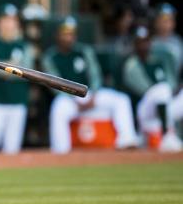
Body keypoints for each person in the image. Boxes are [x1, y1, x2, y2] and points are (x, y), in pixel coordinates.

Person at [42, 17, 139, 154]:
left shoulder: (84, 51)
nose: (68, 37)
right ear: (57, 35)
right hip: (69, 98)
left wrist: (93, 94)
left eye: (71, 34)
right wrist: (74, 99)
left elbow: (95, 75)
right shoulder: (50, 56)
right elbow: (54, 85)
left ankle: (127, 140)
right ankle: (61, 150)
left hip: (89, 93)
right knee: (58, 107)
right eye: (65, 34)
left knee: (121, 99)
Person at [0, 4, 34, 154]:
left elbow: (26, 71)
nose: (9, 24)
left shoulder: (25, 46)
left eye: (12, 20)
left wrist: (0, 64)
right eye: (5, 20)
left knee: (12, 150)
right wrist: (13, 66)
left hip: (17, 100)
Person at [122, 26, 183, 152]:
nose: (144, 45)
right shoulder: (131, 64)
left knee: (169, 91)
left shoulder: (157, 61)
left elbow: (170, 82)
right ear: (135, 44)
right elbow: (145, 90)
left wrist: (175, 89)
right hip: (145, 109)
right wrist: (167, 90)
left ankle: (170, 133)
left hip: (163, 105)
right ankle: (167, 135)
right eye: (140, 42)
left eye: (146, 41)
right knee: (161, 89)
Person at [151, 3, 183, 80]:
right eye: (163, 20)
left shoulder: (178, 42)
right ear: (156, 22)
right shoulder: (150, 41)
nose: (166, 24)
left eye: (170, 20)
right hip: (155, 85)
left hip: (175, 83)